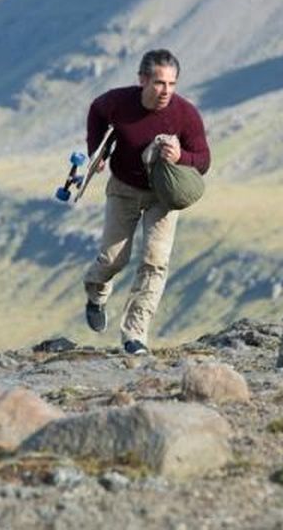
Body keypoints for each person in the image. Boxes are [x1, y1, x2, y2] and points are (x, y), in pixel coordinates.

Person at [82, 49, 210, 355]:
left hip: (163, 196)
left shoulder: (185, 114)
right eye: (159, 83)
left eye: (172, 84)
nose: (166, 90)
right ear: (142, 80)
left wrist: (181, 157)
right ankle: (96, 293)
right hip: (124, 188)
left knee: (155, 262)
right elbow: (96, 113)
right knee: (114, 259)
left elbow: (203, 161)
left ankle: (134, 335)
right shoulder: (117, 102)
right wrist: (96, 152)